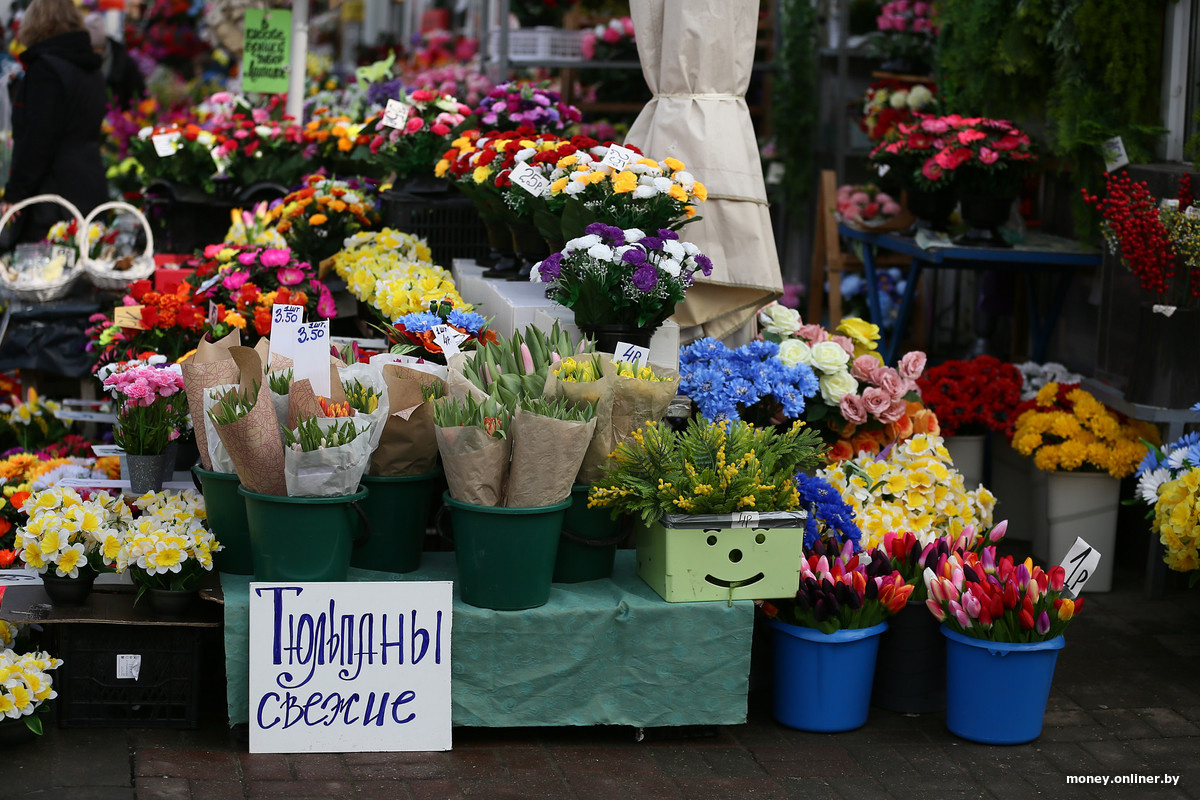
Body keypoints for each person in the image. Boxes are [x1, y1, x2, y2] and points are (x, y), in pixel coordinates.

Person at [1, 0, 108, 246]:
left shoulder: (46, 70)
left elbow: (39, 138)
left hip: (53, 195)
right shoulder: (90, 68)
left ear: (35, 24)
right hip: (89, 184)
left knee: (44, 274)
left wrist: (16, 193)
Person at [85, 13, 146, 110]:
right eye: (91, 49)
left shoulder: (123, 62)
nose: (95, 54)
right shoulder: (79, 62)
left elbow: (139, 95)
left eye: (98, 49)